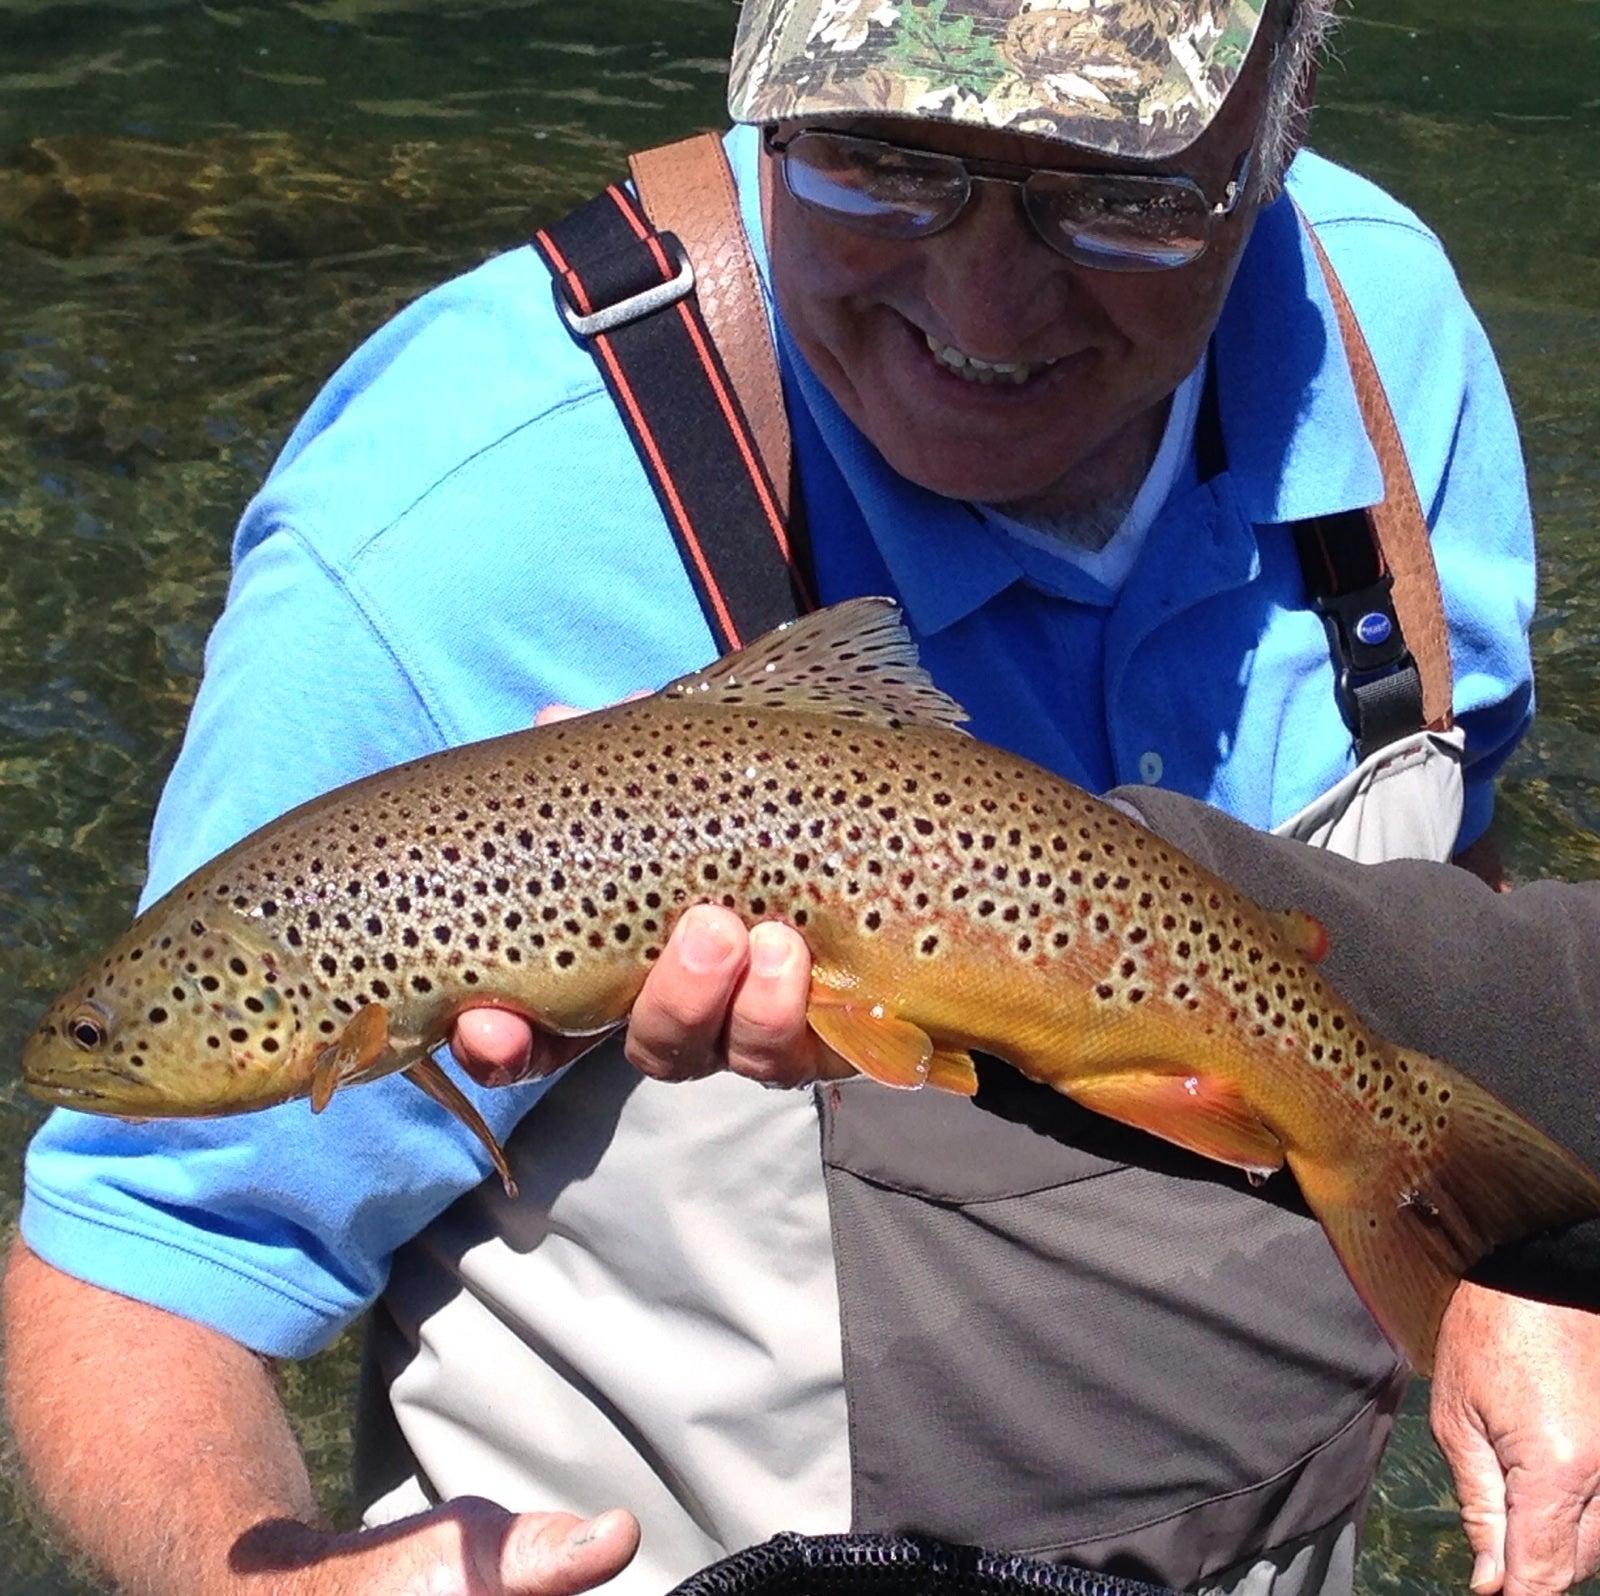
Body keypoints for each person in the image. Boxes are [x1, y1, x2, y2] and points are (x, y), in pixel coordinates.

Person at [6, 2, 1597, 1595]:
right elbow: (143, 1268)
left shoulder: (1376, 335)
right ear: (758, 107)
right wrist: (266, 1581)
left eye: (1123, 191)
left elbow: (1454, 847)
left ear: (1271, 147)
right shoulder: (453, 541)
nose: (983, 305)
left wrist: (1496, 1251)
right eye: (879, 162)